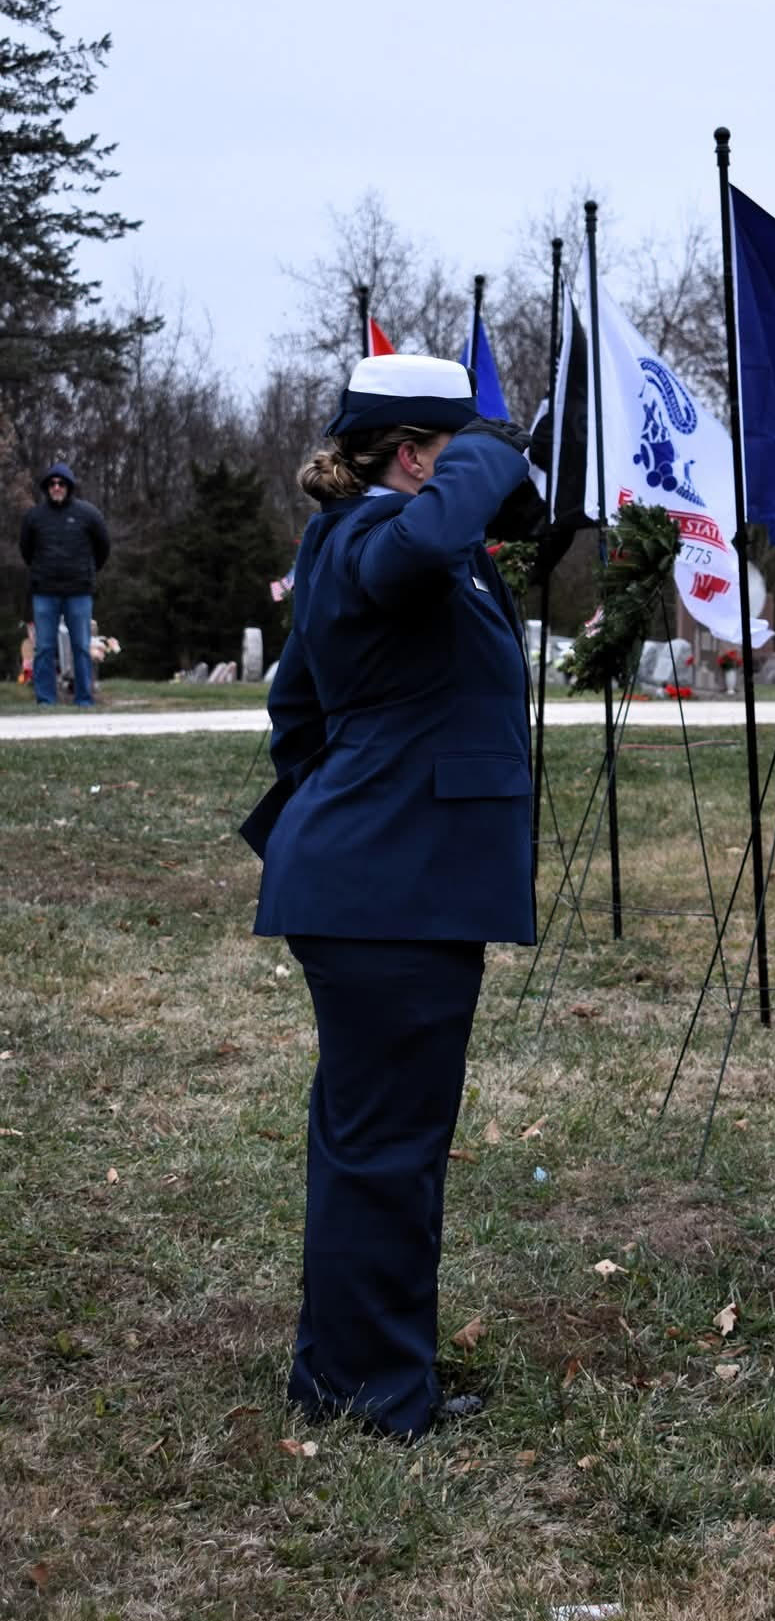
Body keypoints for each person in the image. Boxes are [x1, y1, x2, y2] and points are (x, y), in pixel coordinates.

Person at [241, 352, 535, 1440]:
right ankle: (370, 1394)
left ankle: (357, 1370)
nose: (482, 473)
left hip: (385, 877)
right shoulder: (375, 535)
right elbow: (421, 542)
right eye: (461, 450)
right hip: (389, 889)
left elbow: (296, 708)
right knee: (384, 1150)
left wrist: (349, 799)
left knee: (379, 1143)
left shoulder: (355, 545)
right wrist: (499, 450)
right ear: (415, 454)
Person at [19, 463, 110, 708]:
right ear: (47, 488)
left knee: (81, 647)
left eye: (61, 483)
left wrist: (88, 572)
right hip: (44, 593)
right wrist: (42, 572)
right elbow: (26, 551)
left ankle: (84, 700)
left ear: (69, 487)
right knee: (44, 648)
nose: (56, 487)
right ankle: (45, 701)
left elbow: (103, 547)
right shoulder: (34, 517)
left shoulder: (88, 514)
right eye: (52, 483)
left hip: (78, 592)